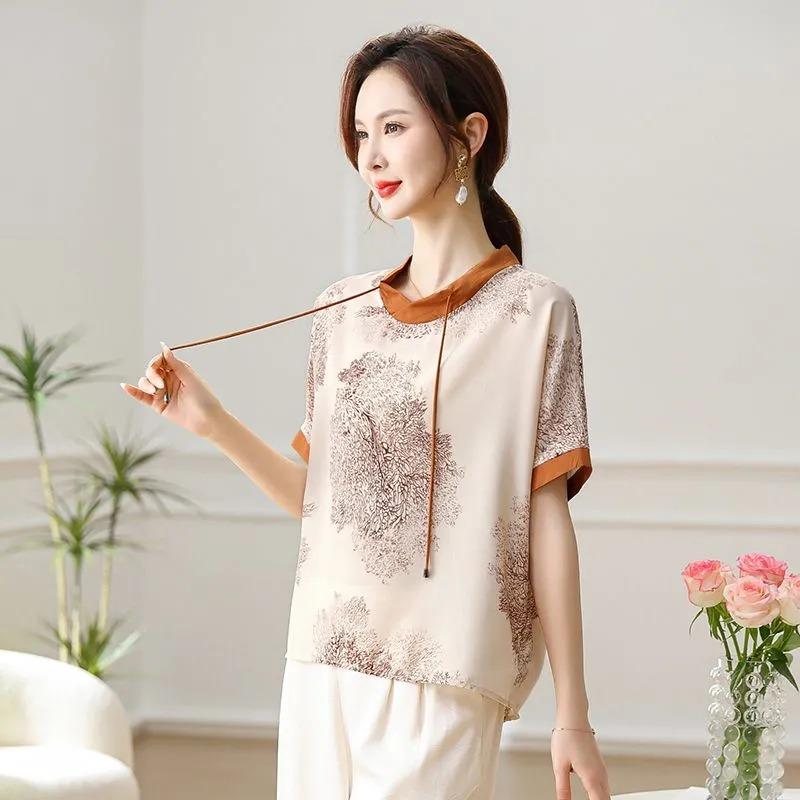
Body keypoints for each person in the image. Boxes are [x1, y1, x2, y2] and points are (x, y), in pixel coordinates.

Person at [121, 24, 611, 800]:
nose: (370, 156)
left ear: (469, 135)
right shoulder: (341, 311)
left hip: (448, 669)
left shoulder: (535, 313)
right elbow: (322, 504)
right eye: (360, 134)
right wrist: (212, 423)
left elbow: (546, 518)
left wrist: (572, 714)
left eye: (393, 127)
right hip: (321, 663)